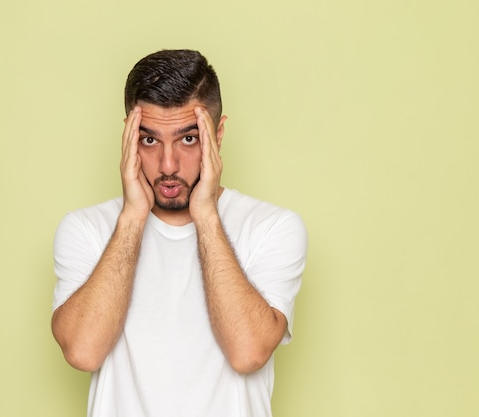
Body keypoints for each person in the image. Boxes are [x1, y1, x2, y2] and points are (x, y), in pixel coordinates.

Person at [51, 49, 307, 417]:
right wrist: (133, 217)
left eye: (188, 139)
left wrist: (205, 214)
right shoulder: (87, 229)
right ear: (128, 138)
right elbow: (83, 351)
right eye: (149, 140)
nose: (168, 165)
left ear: (217, 136)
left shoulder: (272, 228)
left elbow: (248, 353)